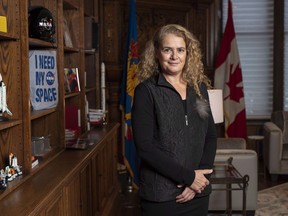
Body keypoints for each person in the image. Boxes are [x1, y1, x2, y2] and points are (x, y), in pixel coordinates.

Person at [131, 24, 217, 215]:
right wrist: (188, 177)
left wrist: (198, 180)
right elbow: (145, 147)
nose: (174, 56)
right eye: (167, 50)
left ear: (188, 54)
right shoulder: (146, 91)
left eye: (180, 50)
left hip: (198, 193)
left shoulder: (199, 89)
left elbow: (210, 136)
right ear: (157, 53)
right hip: (161, 196)